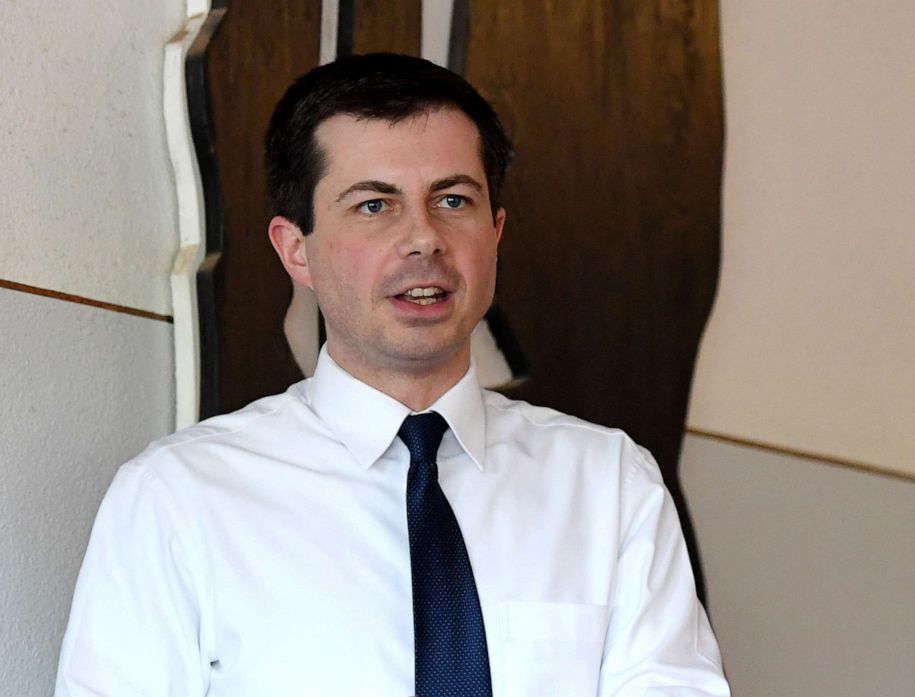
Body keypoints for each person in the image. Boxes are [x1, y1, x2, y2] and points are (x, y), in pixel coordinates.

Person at [55, 53, 730, 696]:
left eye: (454, 200)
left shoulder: (611, 486)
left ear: (495, 231)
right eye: (374, 205)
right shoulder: (178, 498)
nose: (424, 239)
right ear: (296, 249)